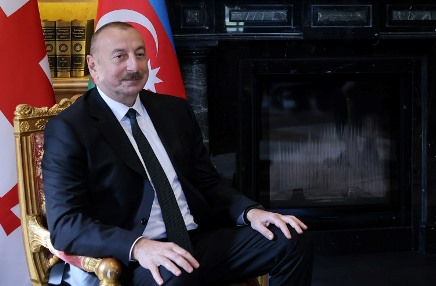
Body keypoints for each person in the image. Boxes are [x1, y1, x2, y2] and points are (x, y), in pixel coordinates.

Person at [42, 21, 314, 286]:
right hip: (136, 255)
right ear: (93, 66)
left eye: (140, 54)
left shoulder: (174, 110)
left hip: (196, 239)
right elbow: (66, 224)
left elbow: (207, 183)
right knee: (178, 271)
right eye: (120, 57)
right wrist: (138, 246)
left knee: (291, 238)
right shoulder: (70, 128)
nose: (134, 66)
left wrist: (250, 212)